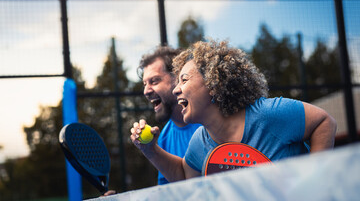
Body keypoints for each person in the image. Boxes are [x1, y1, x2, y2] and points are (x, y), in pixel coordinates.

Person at [130, 40, 337, 182]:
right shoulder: (200, 142)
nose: (176, 89)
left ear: (213, 83)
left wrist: (312, 182)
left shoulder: (267, 114)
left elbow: (324, 122)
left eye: (184, 80)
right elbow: (185, 177)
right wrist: (150, 150)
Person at [136, 46, 201, 185]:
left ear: (178, 79)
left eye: (154, 81)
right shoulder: (163, 138)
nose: (146, 91)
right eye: (144, 84)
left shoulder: (209, 121)